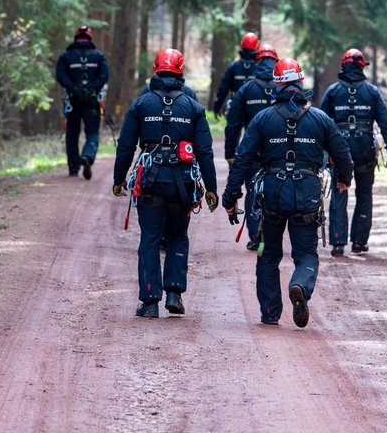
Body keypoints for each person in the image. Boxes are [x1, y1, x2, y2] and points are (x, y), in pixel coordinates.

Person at [222, 58, 353, 328]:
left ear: (277, 84)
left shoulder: (263, 119)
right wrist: (345, 179)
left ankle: (270, 312)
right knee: (306, 253)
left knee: (267, 254)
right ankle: (300, 286)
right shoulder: (319, 118)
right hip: (306, 195)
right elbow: (342, 153)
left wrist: (231, 195)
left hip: (272, 194)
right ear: (301, 82)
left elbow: (243, 156)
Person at [113, 48, 218, 318]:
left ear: (155, 68)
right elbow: (205, 152)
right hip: (181, 183)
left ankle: (149, 301)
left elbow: (126, 145)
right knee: (177, 236)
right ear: (180, 70)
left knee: (149, 237)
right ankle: (174, 293)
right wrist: (211, 189)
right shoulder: (193, 106)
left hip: (150, 180)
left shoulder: (141, 104)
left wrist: (119, 179)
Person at [319, 48, 387, 256]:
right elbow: (385, 124)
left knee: (339, 194)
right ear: (362, 66)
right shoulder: (371, 92)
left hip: (339, 152)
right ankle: (359, 242)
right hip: (365, 152)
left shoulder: (333, 91)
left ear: (343, 66)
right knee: (364, 195)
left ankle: (338, 242)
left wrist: (320, 154)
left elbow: (320, 124)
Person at [224, 44, 279, 250]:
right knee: (276, 190)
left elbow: (233, 124)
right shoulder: (284, 86)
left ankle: (256, 236)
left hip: (252, 150)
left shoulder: (246, 88)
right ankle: (272, 235)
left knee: (253, 190)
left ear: (257, 62)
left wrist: (231, 153)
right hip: (278, 151)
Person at [55, 26, 109, 180]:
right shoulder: (99, 56)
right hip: (92, 101)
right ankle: (87, 156)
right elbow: (104, 75)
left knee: (72, 134)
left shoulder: (65, 57)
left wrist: (73, 88)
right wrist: (93, 88)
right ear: (90, 38)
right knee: (92, 133)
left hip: (73, 101)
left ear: (75, 38)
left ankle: (73, 168)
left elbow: (60, 75)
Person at [212, 32, 259, 117]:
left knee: (232, 129)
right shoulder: (259, 68)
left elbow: (223, 88)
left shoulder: (234, 67)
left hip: (236, 105)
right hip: (254, 107)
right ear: (256, 47)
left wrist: (217, 107)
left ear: (242, 45)